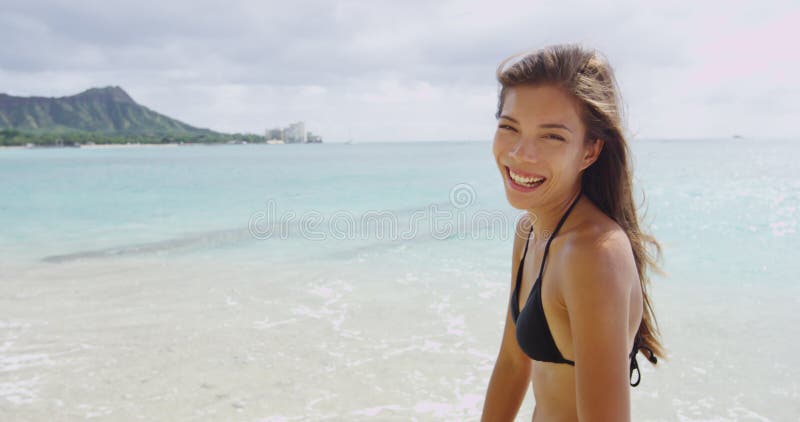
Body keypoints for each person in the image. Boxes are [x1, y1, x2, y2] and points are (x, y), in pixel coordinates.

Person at [481, 43, 666, 422]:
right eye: (508, 127)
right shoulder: (530, 230)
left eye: (551, 136)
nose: (520, 153)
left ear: (590, 151)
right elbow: (514, 365)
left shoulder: (594, 254)